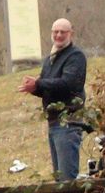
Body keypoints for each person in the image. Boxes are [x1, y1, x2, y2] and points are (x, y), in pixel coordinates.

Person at [17, 17, 88, 181]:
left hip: (68, 123)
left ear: (71, 34)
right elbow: (48, 87)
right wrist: (34, 88)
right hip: (54, 123)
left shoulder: (75, 56)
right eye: (56, 32)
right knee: (59, 180)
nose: (59, 35)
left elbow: (68, 84)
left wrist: (39, 83)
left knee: (67, 180)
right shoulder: (51, 58)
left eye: (63, 32)